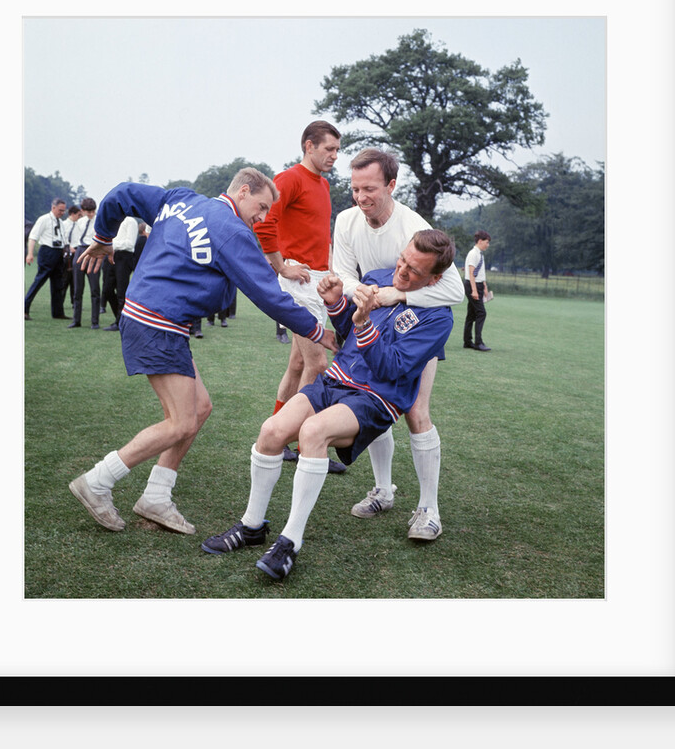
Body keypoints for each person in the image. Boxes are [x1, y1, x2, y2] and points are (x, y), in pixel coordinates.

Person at [67, 169, 339, 536]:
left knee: (200, 408)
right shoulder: (232, 231)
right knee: (180, 421)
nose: (262, 217)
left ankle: (156, 496)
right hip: (156, 324)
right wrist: (316, 329)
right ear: (243, 191)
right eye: (261, 207)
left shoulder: (181, 198)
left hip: (154, 319)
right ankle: (97, 481)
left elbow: (122, 192)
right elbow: (268, 295)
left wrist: (102, 236)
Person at [201, 230, 456, 581]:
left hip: (375, 397)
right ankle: (251, 526)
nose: (402, 271)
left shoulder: (439, 318)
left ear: (436, 278)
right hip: (335, 380)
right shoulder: (379, 279)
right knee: (271, 431)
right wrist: (338, 304)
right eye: (402, 259)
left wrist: (364, 323)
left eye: (414, 270)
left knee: (313, 432)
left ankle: (290, 541)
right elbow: (348, 332)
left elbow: (392, 368)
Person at [331, 148, 465, 525]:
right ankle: (383, 490)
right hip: (370, 322)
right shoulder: (345, 221)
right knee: (366, 401)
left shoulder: (412, 225)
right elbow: (343, 274)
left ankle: (429, 510)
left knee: (416, 411)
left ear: (391, 185)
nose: (360, 198)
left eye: (369, 188)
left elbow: (454, 289)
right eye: (355, 188)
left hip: (415, 330)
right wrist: (368, 296)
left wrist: (400, 294)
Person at [253, 120, 344, 473]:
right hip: (298, 282)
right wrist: (281, 267)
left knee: (298, 364)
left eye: (337, 150)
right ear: (309, 146)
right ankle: (306, 443)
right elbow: (264, 222)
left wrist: (331, 267)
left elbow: (321, 234)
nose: (334, 156)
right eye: (329, 149)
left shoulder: (322, 184)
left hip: (319, 280)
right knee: (319, 364)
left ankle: (281, 437)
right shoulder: (289, 178)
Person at [24, 198, 69, 320]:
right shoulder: (44, 219)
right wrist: (30, 254)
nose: (62, 213)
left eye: (64, 211)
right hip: (47, 252)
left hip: (58, 252)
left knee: (58, 284)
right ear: (53, 207)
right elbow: (33, 237)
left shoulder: (60, 222)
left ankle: (58, 312)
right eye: (60, 210)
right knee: (39, 281)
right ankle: (24, 308)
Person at [68, 197, 101, 329]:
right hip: (80, 251)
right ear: (83, 211)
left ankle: (95, 321)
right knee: (77, 289)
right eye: (89, 212)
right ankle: (76, 320)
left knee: (95, 289)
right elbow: (74, 239)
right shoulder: (80, 222)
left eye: (93, 211)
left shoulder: (99, 221)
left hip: (93, 251)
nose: (91, 214)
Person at [102, 215, 139, 331]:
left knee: (121, 291)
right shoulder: (113, 220)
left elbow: (129, 244)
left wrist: (111, 245)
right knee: (107, 290)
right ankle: (120, 319)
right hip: (111, 255)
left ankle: (119, 322)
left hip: (124, 256)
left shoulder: (131, 222)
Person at [463, 230, 492, 351]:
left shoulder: (480, 254)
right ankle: (478, 342)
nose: (488, 245)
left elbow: (480, 272)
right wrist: (474, 291)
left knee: (472, 314)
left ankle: (467, 341)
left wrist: (484, 287)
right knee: (481, 313)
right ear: (480, 241)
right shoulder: (473, 254)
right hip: (472, 285)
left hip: (478, 285)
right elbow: (471, 273)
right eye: (486, 242)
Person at [63, 204, 83, 308]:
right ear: (72, 214)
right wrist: (69, 247)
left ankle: (74, 302)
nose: (79, 217)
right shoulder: (64, 224)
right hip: (67, 253)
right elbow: (63, 238)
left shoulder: (79, 225)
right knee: (65, 279)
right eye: (78, 215)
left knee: (74, 280)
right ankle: (60, 301)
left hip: (77, 251)